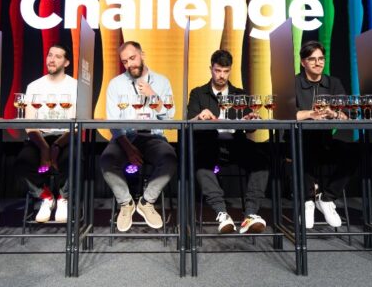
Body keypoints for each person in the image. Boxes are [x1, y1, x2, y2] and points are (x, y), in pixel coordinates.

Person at [187, 49, 268, 234]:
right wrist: (199, 116)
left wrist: (251, 121)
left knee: (262, 160)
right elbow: (189, 123)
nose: (221, 75)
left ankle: (251, 214)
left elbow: (251, 129)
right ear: (211, 69)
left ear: (230, 70)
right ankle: (221, 213)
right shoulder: (198, 93)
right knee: (200, 162)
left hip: (236, 144)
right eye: (218, 71)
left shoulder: (240, 94)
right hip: (209, 143)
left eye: (225, 71)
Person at [102, 41, 177, 232]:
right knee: (107, 160)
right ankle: (126, 203)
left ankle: (146, 202)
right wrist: (129, 149)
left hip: (153, 137)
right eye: (125, 61)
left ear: (142, 54)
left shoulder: (162, 82)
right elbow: (114, 123)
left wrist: (153, 96)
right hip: (125, 137)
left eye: (132, 58)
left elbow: (169, 117)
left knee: (169, 159)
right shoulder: (116, 84)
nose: (129, 64)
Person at [295, 40, 358, 230]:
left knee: (355, 153)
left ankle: (327, 198)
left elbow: (349, 114)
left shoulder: (333, 83)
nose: (318, 63)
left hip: (326, 141)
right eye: (312, 59)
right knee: (305, 147)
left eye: (321, 58)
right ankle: (307, 201)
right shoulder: (293, 83)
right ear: (303, 62)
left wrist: (335, 114)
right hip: (297, 142)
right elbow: (284, 113)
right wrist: (310, 114)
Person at [14, 44, 77, 224]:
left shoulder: (75, 86)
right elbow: (29, 124)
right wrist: (44, 148)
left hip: (65, 137)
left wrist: (56, 146)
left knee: (73, 159)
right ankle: (46, 196)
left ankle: (63, 197)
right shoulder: (34, 86)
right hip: (39, 137)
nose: (52, 59)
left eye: (58, 56)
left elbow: (75, 126)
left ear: (66, 62)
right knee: (22, 163)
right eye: (50, 55)